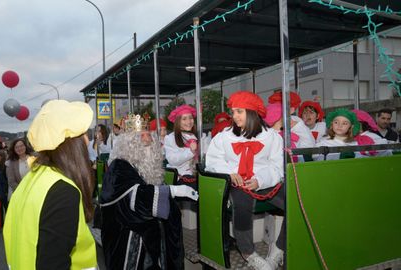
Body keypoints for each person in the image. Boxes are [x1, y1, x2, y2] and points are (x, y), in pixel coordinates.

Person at [4, 100, 97, 270]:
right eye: (83, 134)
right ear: (72, 145)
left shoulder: (34, 179)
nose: (86, 140)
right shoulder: (63, 191)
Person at [100, 114, 198, 270]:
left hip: (151, 232)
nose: (147, 139)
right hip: (128, 235)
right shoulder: (119, 166)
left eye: (149, 135)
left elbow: (157, 193)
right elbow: (137, 198)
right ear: (129, 142)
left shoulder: (151, 166)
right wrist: (173, 190)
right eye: (141, 136)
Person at [206, 91, 284, 270]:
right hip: (237, 183)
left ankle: (278, 248)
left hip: (265, 182)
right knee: (241, 204)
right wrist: (229, 173)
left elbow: (277, 165)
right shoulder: (225, 135)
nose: (234, 116)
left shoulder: (271, 136)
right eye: (233, 112)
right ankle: (248, 253)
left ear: (251, 113)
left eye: (239, 112)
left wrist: (260, 180)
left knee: (294, 201)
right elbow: (212, 160)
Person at [164, 104, 198, 188]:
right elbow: (172, 160)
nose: (189, 121)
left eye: (190, 118)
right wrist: (190, 151)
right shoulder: (170, 138)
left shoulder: (194, 137)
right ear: (178, 122)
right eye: (184, 119)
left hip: (196, 176)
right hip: (181, 179)